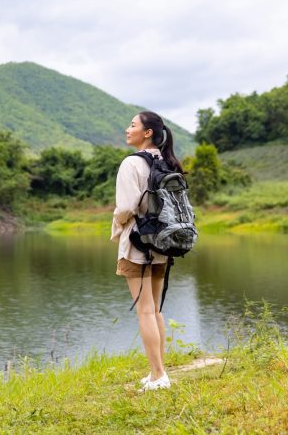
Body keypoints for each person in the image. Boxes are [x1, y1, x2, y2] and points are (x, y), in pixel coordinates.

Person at [111, 110, 185, 392]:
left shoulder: (131, 164)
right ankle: (159, 372)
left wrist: (117, 221)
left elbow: (127, 207)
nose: (127, 129)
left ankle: (158, 375)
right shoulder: (165, 161)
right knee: (155, 309)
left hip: (137, 244)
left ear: (147, 132)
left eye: (132, 125)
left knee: (144, 311)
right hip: (163, 244)